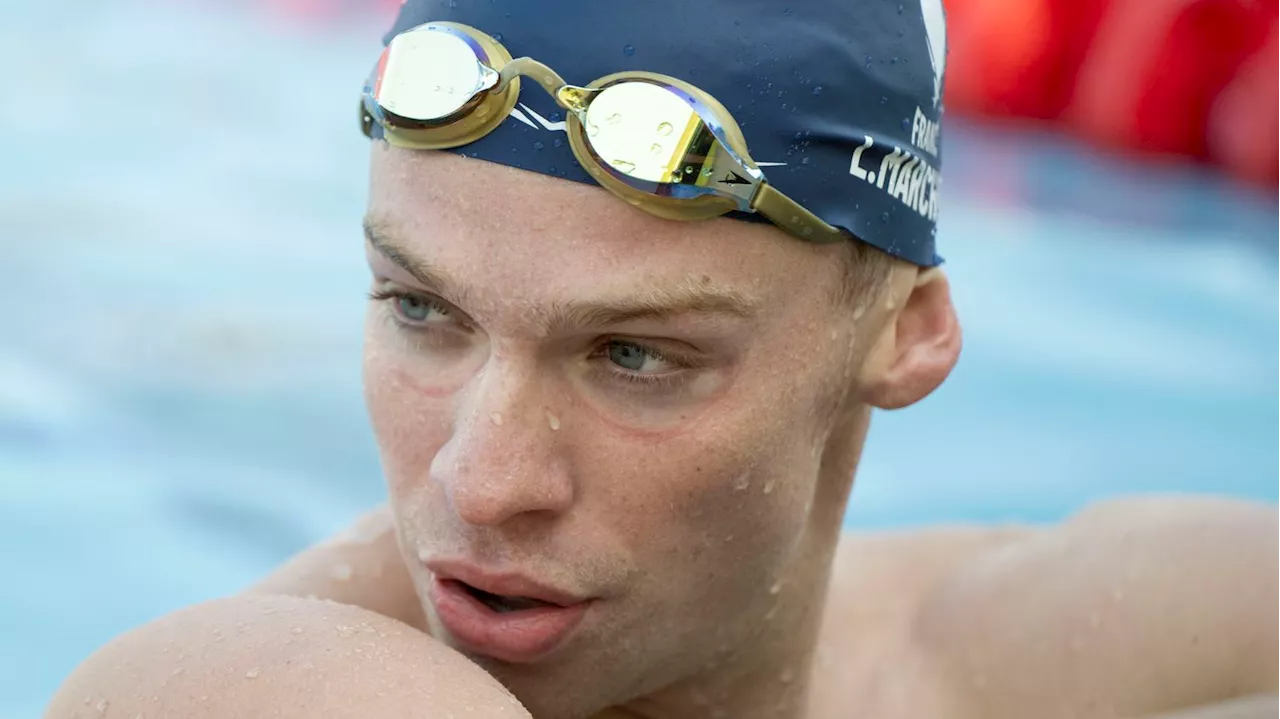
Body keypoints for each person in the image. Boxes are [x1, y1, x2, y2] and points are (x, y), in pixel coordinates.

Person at [46, 1, 1279, 718]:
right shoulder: (248, 682)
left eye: (632, 354)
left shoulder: (1047, 646)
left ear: (903, 332)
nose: (479, 485)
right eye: (422, 309)